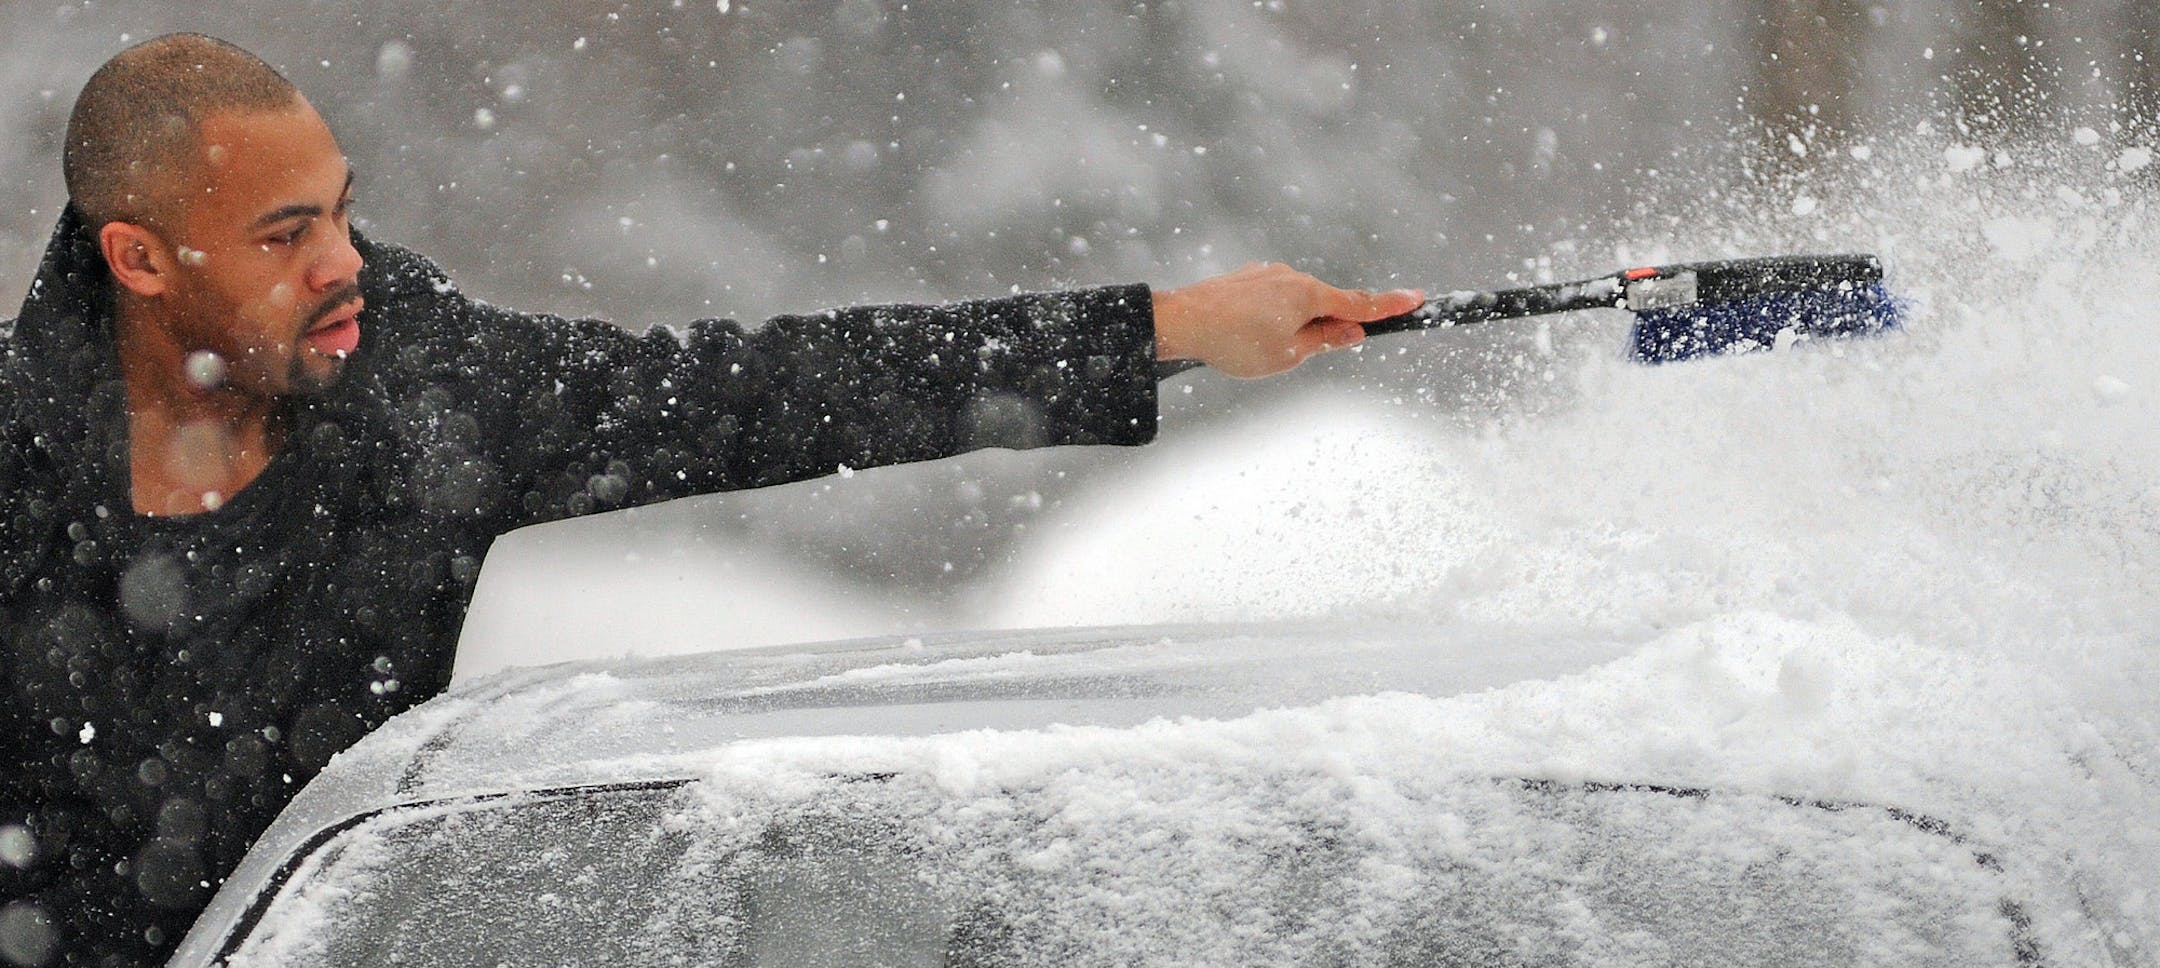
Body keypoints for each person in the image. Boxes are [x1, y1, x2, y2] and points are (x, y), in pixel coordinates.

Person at [0, 32, 1421, 965]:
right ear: (139, 261)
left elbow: (765, 392)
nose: (345, 262)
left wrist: (1161, 327)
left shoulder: (418, 398)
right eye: (285, 233)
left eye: (342, 210)